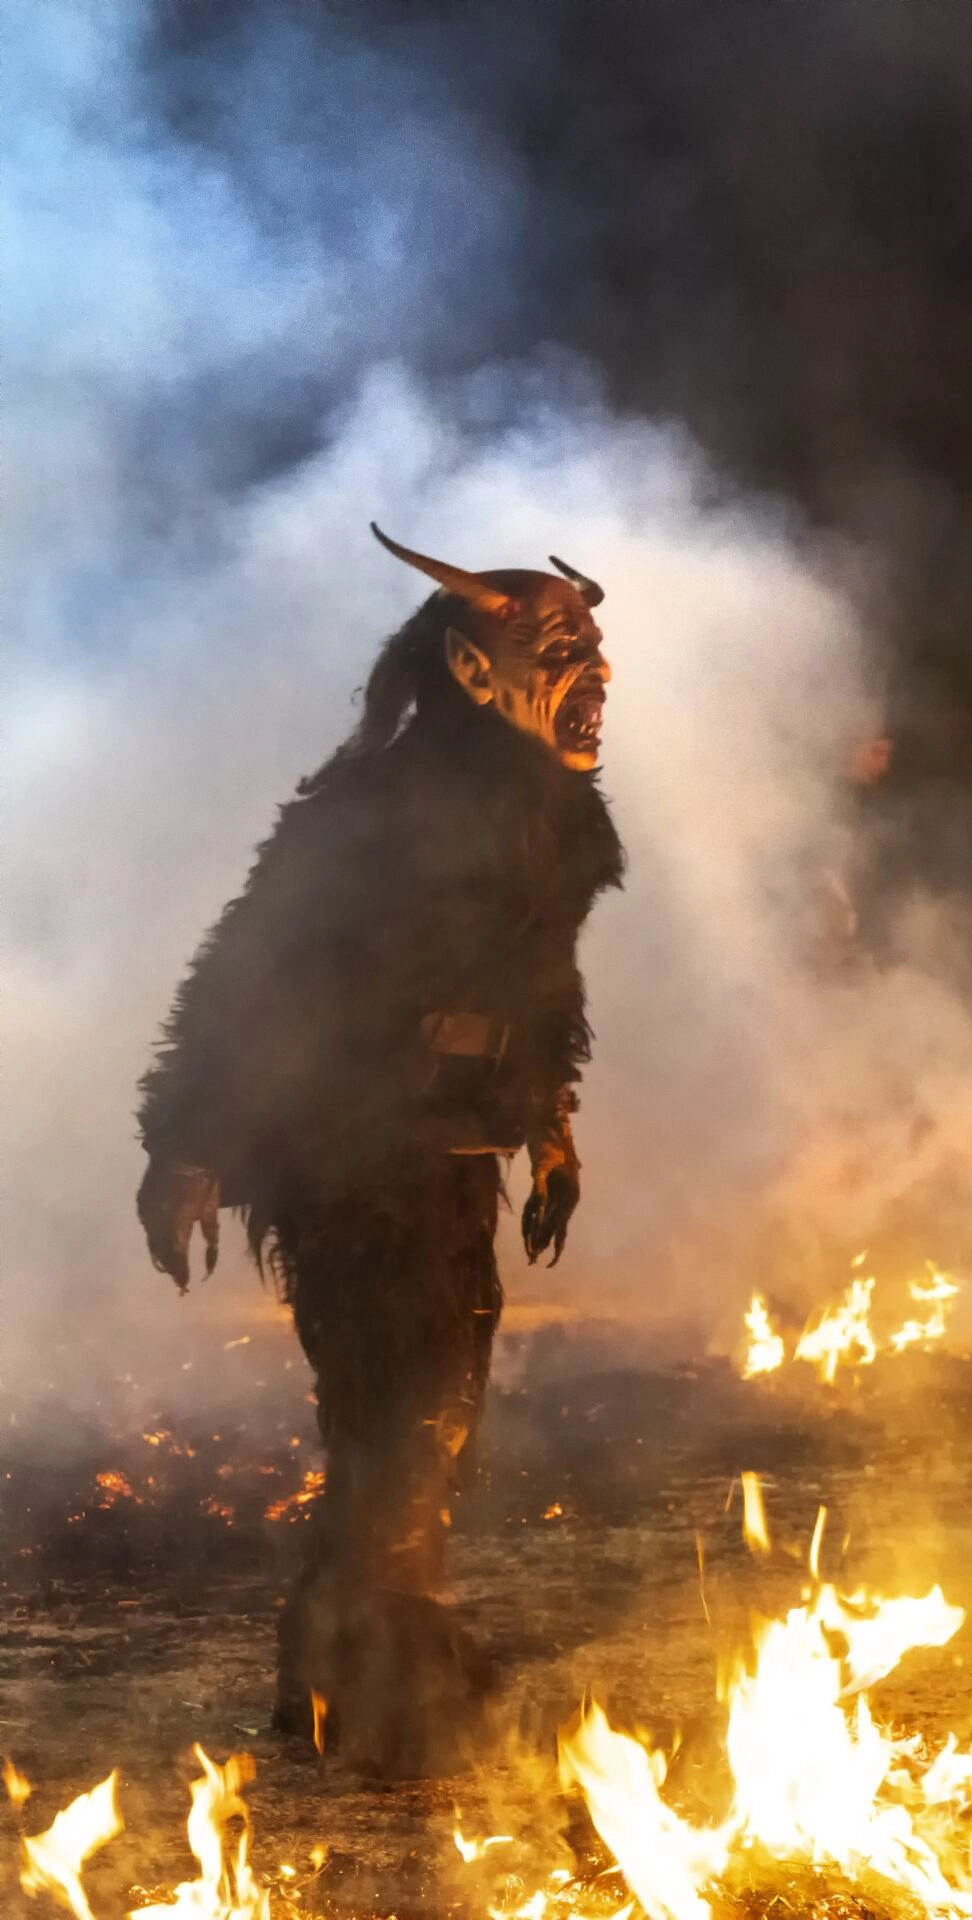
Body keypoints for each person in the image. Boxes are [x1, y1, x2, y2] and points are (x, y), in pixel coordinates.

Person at [135, 526, 623, 1775]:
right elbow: (249, 970)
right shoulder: (373, 808)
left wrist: (551, 1129)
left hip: (456, 1161)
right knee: (401, 1419)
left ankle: (330, 1684)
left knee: (426, 1420)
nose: (596, 672)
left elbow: (541, 988)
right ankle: (399, 1705)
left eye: (594, 648)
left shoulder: (554, 825)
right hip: (352, 1151)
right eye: (563, 650)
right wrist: (191, 1142)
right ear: (475, 671)